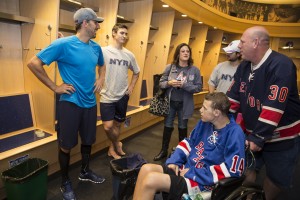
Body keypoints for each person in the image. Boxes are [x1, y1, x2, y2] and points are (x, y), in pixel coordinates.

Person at [27, 8, 106, 200]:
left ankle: (84, 171)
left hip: (90, 103)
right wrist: (55, 87)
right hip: (70, 104)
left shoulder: (96, 47)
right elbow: (33, 63)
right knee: (66, 145)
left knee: (88, 141)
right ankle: (64, 181)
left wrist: (101, 78)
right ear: (85, 23)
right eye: (96, 22)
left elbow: (102, 65)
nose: (98, 26)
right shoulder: (63, 44)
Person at [226, 26, 300, 200]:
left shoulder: (281, 65)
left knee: (276, 179)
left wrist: (259, 136)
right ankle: (248, 196)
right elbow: (233, 98)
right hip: (253, 134)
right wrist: (218, 118)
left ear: (256, 42)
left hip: (282, 138)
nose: (239, 47)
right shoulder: (244, 66)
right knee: (245, 168)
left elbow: (274, 106)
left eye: (242, 42)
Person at [133, 92, 246, 200]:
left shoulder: (235, 133)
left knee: (151, 180)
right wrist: (174, 161)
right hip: (187, 169)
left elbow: (232, 170)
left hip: (203, 182)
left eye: (205, 108)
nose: (200, 110)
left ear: (216, 113)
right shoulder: (204, 122)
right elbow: (189, 143)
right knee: (145, 169)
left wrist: (192, 173)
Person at [153, 43, 202, 161]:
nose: (185, 53)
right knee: (167, 126)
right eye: (183, 51)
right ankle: (163, 151)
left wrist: (185, 85)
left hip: (185, 105)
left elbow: (198, 88)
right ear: (178, 54)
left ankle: (182, 153)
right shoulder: (170, 67)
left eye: (188, 52)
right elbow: (161, 83)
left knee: (182, 127)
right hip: (170, 103)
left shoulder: (194, 70)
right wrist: (169, 83)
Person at [100, 24, 140, 159]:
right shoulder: (103, 51)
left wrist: (131, 87)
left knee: (117, 124)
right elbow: (87, 59)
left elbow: (136, 72)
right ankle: (117, 143)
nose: (124, 36)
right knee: (107, 126)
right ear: (114, 33)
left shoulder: (129, 55)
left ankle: (112, 149)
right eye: (122, 33)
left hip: (122, 95)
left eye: (126, 34)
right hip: (106, 95)